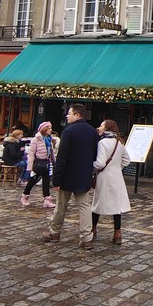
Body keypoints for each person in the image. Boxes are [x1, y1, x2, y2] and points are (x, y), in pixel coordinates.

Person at [43, 104, 99, 248]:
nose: (67, 116)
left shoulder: (68, 131)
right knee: (84, 207)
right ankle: (87, 238)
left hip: (67, 175)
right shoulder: (93, 132)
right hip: (84, 175)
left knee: (61, 205)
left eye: (69, 113)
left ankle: (54, 232)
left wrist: (56, 178)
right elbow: (94, 154)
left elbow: (62, 157)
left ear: (77, 115)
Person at [90, 119, 132, 245]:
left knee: (97, 204)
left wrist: (90, 166)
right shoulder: (119, 142)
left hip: (104, 177)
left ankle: (93, 229)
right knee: (116, 206)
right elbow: (127, 159)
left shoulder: (102, 143)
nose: (99, 128)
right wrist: (117, 168)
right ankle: (117, 233)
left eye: (101, 126)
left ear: (107, 128)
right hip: (117, 177)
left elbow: (100, 163)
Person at [22, 122, 56, 208]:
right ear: (44, 129)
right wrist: (30, 167)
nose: (50, 130)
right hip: (38, 163)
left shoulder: (49, 139)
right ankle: (25, 195)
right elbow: (31, 153)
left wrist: (53, 161)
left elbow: (51, 152)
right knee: (33, 180)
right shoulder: (36, 140)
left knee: (46, 181)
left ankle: (47, 199)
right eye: (49, 128)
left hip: (46, 163)